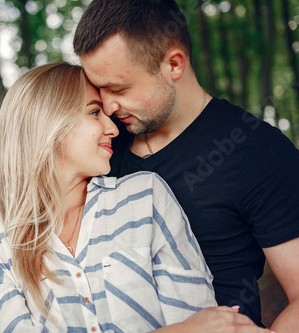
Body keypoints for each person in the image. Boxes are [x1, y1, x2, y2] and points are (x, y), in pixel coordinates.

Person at [73, 0, 299, 331]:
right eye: (98, 89)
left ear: (174, 64)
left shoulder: (259, 151)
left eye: (117, 88)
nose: (107, 105)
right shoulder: (100, 145)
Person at [0, 62, 224, 332]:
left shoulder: (145, 197)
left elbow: (206, 324)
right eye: (95, 112)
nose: (112, 128)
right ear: (49, 123)